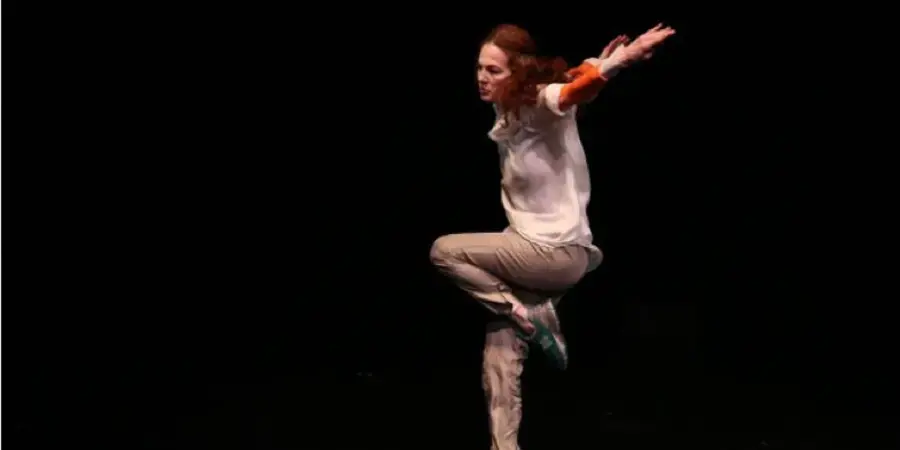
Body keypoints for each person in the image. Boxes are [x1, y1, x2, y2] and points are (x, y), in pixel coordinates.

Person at [429, 22, 675, 450]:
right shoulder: (511, 103)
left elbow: (573, 92)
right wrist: (598, 60)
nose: (482, 77)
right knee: (500, 353)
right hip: (535, 252)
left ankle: (527, 312)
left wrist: (623, 60)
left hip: (552, 253)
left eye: (494, 70)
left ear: (517, 74)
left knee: (445, 251)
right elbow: (576, 76)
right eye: (479, 68)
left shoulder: (540, 103)